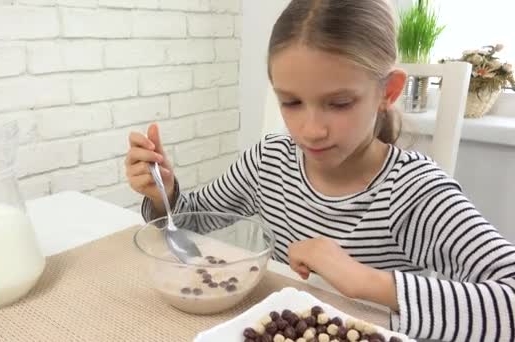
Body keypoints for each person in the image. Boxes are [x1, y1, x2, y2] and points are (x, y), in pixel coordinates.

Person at [125, 0, 515, 340]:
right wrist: (165, 195)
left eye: (340, 103)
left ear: (388, 92)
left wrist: (366, 281)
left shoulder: (415, 192)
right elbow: (194, 223)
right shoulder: (270, 159)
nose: (311, 130)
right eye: (292, 102)